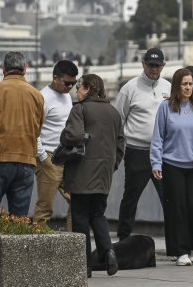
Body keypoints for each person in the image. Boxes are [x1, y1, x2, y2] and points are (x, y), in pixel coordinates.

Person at [60, 74, 125, 278]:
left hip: (81, 172)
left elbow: (74, 135)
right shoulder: (114, 113)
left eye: (79, 86)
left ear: (88, 88)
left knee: (80, 218)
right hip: (104, 174)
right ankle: (108, 252)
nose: (76, 90)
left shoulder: (80, 109)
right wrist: (111, 166)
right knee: (98, 214)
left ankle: (85, 265)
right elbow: (121, 144)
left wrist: (64, 136)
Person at [150, 68, 193, 266]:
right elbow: (158, 137)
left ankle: (192, 244)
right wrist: (156, 162)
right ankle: (181, 251)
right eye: (184, 84)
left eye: (190, 84)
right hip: (172, 164)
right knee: (177, 208)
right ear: (176, 86)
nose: (188, 87)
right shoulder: (165, 108)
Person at [0, 51, 44, 216]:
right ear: (25, 69)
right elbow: (38, 128)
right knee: (19, 218)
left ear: (3, 68)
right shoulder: (37, 95)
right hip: (26, 160)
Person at [114, 48, 172, 240]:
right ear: (143, 64)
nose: (154, 69)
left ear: (163, 66)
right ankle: (123, 239)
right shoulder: (129, 88)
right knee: (131, 197)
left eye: (158, 65)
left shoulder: (169, 87)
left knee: (169, 198)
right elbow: (118, 120)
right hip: (136, 151)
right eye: (151, 65)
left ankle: (176, 242)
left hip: (163, 153)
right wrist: (120, 150)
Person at [33, 60, 79, 229]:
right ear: (55, 78)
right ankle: (37, 247)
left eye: (74, 83)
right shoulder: (42, 97)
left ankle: (73, 243)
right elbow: (34, 129)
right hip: (49, 157)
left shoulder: (67, 96)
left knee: (77, 202)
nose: (70, 87)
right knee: (45, 207)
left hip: (66, 156)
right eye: (67, 83)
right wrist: (43, 157)